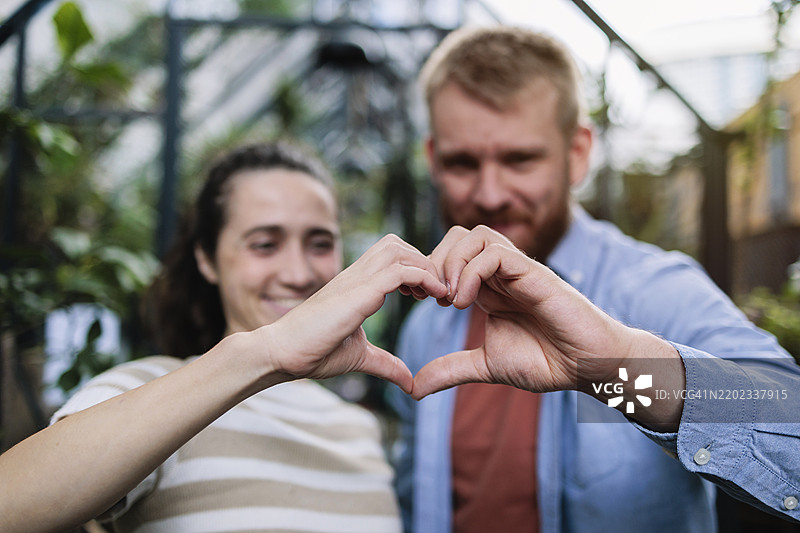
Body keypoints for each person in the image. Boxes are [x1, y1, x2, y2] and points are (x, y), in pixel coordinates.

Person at [389, 25, 800, 533]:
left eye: (520, 159)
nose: (490, 194)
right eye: (462, 163)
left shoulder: (651, 290)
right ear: (432, 159)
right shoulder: (427, 326)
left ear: (578, 152)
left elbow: (790, 422)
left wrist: (620, 368)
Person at [0, 141, 448, 533]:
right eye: (264, 244)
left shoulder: (359, 429)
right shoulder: (149, 390)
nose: (298, 273)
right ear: (207, 258)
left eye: (320, 243)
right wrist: (265, 353)